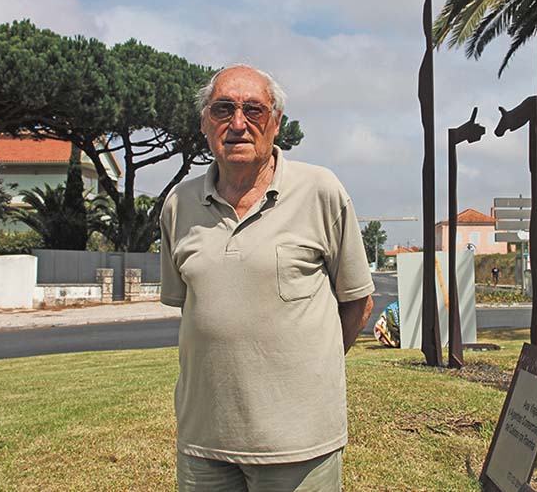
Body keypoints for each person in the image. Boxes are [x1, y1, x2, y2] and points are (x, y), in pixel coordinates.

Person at [159, 64, 375, 492]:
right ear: (205, 123)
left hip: (300, 445)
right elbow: (193, 308)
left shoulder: (320, 190)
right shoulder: (179, 204)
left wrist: (310, 373)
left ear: (275, 122)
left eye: (253, 110)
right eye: (223, 109)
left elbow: (358, 302)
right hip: (204, 443)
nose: (238, 123)